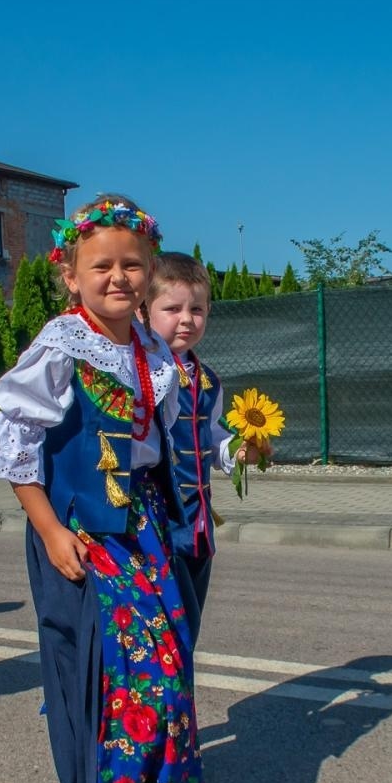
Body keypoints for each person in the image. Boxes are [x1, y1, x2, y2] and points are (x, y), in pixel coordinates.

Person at [0, 196, 204, 783]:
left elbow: (156, 439)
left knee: (163, 664)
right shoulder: (62, 342)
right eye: (101, 264)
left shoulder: (150, 348)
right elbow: (16, 447)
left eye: (133, 264)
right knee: (104, 673)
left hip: (142, 528)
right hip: (77, 532)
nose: (119, 277)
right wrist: (47, 528)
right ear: (70, 274)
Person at [140, 252, 267, 615]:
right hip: (156, 526)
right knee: (166, 626)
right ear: (145, 310)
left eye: (196, 309)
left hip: (197, 527)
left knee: (190, 620)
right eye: (172, 309)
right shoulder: (142, 370)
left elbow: (212, 438)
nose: (186, 320)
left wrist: (238, 451)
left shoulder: (208, 380)